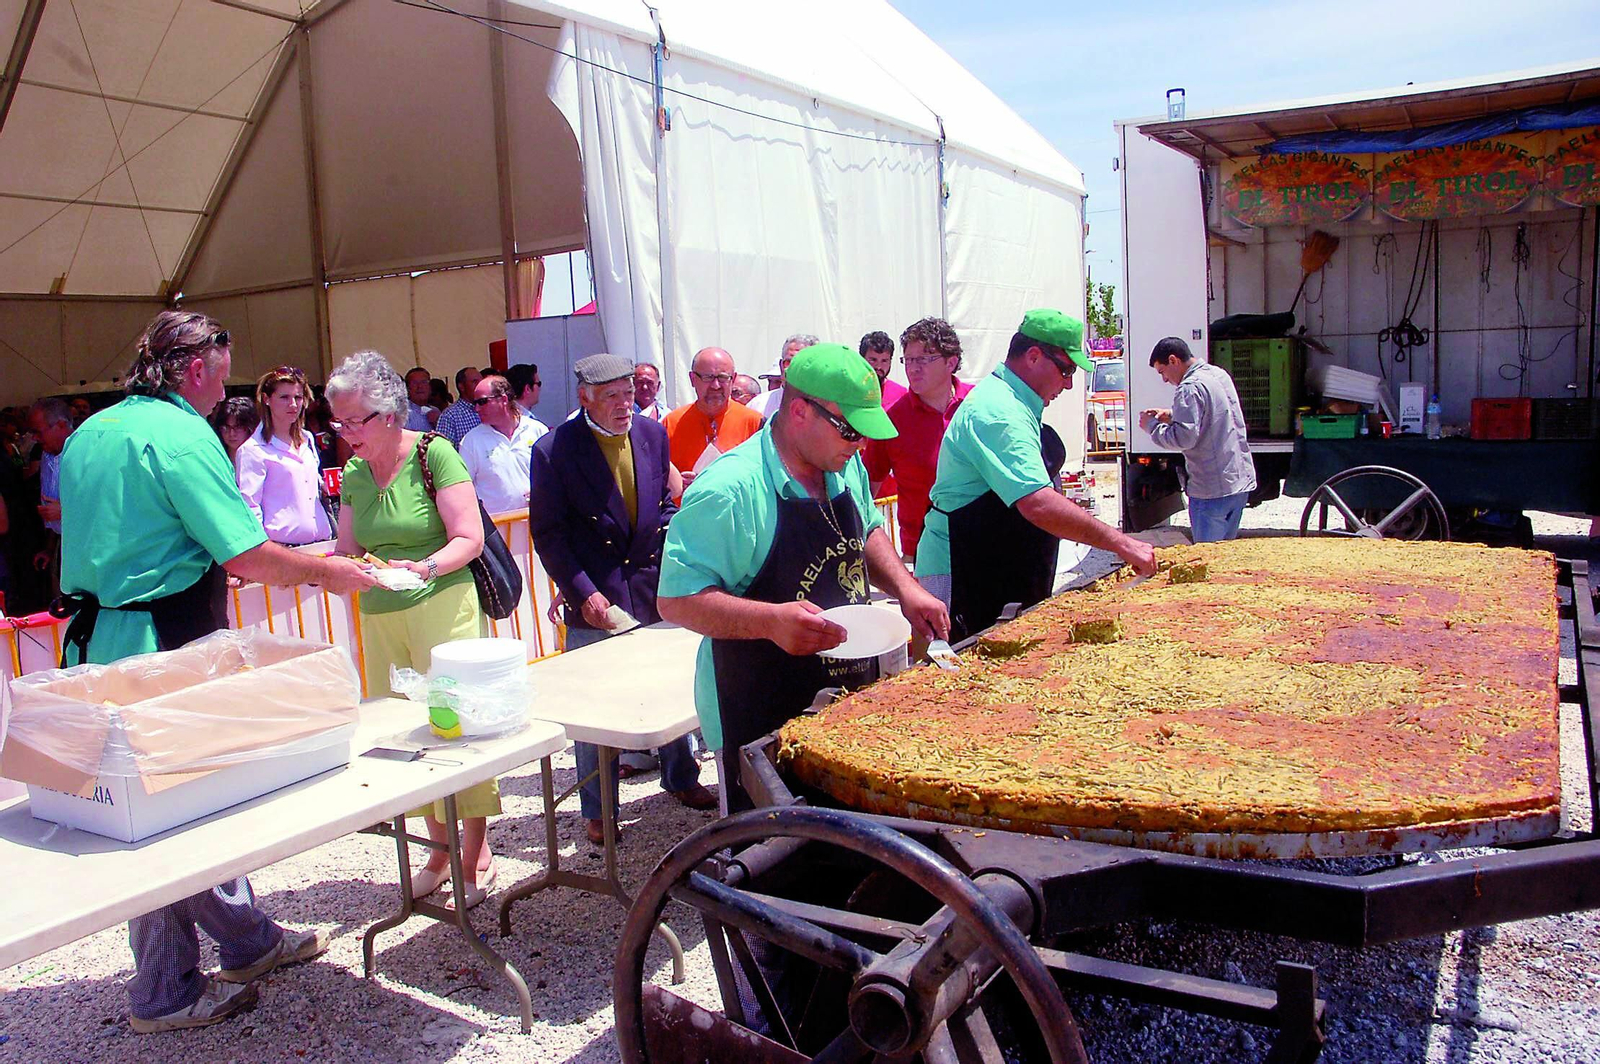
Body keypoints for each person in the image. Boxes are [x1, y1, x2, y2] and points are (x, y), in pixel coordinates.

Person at [53, 310, 376, 1033]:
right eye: (224, 378)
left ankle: (246, 939)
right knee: (166, 818)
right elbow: (245, 554)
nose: (225, 394)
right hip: (162, 647)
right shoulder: (181, 435)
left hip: (97, 641)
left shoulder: (90, 432)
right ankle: (164, 988)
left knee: (174, 805)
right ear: (197, 369)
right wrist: (331, 572)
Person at [658, 343, 950, 811]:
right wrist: (771, 621)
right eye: (851, 431)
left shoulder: (843, 464)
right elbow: (677, 599)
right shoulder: (729, 490)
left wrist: (907, 590)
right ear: (799, 412)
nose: (860, 445)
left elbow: (867, 529)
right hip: (760, 714)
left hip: (847, 700)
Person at [327, 350, 500, 910]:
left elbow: (468, 538)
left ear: (389, 415)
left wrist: (422, 568)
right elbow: (348, 547)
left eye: (354, 421)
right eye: (339, 422)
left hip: (443, 605)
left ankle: (476, 852)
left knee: (457, 726)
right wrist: (330, 567)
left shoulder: (435, 453)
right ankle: (439, 851)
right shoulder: (354, 473)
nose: (346, 433)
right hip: (381, 614)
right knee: (405, 735)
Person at [529, 353, 714, 842]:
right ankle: (598, 808)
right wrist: (582, 593)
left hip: (651, 585)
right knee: (594, 707)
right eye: (611, 395)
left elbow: (663, 504)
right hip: (596, 593)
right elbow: (549, 535)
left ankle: (681, 776)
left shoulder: (651, 434)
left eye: (629, 393)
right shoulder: (554, 450)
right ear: (584, 398)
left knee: (670, 686)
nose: (624, 404)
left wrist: (679, 550)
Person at [917, 310, 1157, 640]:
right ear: (1033, 356)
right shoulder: (999, 412)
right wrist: (1122, 543)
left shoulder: (1014, 403)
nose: (1069, 384)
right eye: (1066, 370)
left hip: (992, 565)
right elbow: (1038, 503)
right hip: (961, 572)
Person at [864, 318, 973, 562]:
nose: (913, 368)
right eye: (909, 359)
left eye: (923, 359)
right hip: (922, 555)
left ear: (951, 362)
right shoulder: (892, 419)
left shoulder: (979, 404)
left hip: (985, 544)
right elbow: (866, 490)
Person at [1139, 336, 1257, 543]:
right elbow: (1215, 415)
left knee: (1207, 557)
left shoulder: (1189, 388)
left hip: (1211, 490)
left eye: (1162, 371)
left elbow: (1183, 439)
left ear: (1173, 360)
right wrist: (1173, 415)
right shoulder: (1218, 374)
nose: (1164, 379)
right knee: (1225, 554)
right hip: (1238, 482)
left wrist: (1152, 427)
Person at [234, 367, 334, 547]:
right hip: (283, 547)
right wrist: (264, 551)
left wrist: (325, 485)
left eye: (298, 397)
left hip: (322, 542)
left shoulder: (307, 439)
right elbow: (250, 507)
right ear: (266, 399)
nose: (293, 404)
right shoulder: (253, 450)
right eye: (284, 397)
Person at [663, 347, 763, 492]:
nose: (715, 386)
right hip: (686, 505)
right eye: (708, 377)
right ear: (692, 379)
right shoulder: (671, 424)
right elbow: (657, 478)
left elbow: (765, 479)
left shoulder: (755, 424)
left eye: (723, 378)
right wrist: (677, 483)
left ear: (733, 379)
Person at [458, 372, 548, 514]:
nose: (477, 409)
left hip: (537, 520)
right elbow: (462, 489)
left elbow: (553, 476)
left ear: (503, 399)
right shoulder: (471, 441)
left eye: (482, 402)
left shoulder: (537, 430)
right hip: (495, 525)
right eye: (475, 403)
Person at [28, 398, 75, 600]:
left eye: (38, 432)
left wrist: (66, 511)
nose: (34, 438)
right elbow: (50, 507)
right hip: (61, 546)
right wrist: (49, 549)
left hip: (86, 546)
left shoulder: (87, 454)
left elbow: (107, 504)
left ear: (61, 425)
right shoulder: (47, 455)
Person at [746, 333, 817, 420]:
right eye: (789, 362)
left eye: (802, 364)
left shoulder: (828, 406)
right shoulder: (758, 405)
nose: (793, 369)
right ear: (781, 366)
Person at [434, 365, 485, 445]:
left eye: (482, 381)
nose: (480, 385)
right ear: (461, 387)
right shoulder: (450, 416)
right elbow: (443, 449)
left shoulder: (489, 409)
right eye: (474, 381)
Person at [859, 330, 908, 408]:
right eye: (873, 360)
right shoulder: (848, 389)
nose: (879, 366)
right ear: (861, 359)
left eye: (884, 361)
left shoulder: (901, 395)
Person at [209, 396, 258, 466]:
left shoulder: (260, 458)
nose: (231, 433)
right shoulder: (214, 459)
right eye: (226, 427)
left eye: (238, 427)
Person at [403, 367, 440, 431]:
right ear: (408, 388)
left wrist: (437, 423)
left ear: (430, 387)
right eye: (414, 383)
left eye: (424, 382)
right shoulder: (403, 412)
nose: (420, 386)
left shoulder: (436, 411)